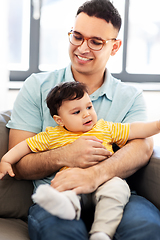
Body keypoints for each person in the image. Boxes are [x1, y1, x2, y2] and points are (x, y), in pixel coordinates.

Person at [6, 0, 160, 239]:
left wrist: (94, 175)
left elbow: (143, 146)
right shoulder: (36, 87)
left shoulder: (130, 96)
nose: (82, 48)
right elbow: (19, 162)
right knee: (61, 232)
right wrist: (67, 155)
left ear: (115, 47)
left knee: (145, 227)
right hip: (60, 194)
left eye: (96, 42)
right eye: (77, 36)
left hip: (115, 192)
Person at [1, 81, 160, 239]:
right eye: (76, 112)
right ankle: (67, 207)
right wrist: (6, 160)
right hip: (72, 182)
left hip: (106, 181)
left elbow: (134, 130)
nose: (86, 114)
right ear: (59, 120)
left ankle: (101, 232)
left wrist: (157, 125)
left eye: (89, 107)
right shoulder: (53, 135)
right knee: (64, 193)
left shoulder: (104, 128)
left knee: (117, 189)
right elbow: (25, 146)